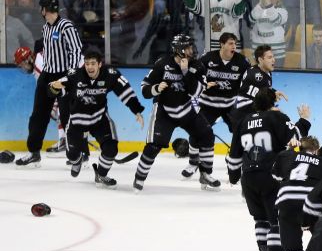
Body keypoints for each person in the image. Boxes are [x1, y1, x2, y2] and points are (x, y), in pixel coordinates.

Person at [227, 89, 311, 251]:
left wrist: (234, 176)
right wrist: (304, 120)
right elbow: (295, 138)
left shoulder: (243, 122)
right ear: (273, 103)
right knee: (275, 219)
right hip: (270, 174)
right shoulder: (276, 118)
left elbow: (234, 154)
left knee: (260, 219)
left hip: (248, 176)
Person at [134, 34, 220, 192]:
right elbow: (145, 85)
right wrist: (155, 88)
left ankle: (206, 174)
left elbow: (196, 92)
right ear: (179, 50)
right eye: (188, 47)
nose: (191, 50)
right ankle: (139, 178)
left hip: (187, 109)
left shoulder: (197, 66)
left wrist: (186, 71)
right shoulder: (162, 63)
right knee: (153, 145)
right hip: (165, 111)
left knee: (207, 135)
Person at [48, 49, 144, 187]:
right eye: (87, 63)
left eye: (93, 63)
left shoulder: (110, 75)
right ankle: (77, 160)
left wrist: (137, 110)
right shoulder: (75, 75)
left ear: (100, 64)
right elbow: (54, 90)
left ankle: (101, 175)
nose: (89, 67)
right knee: (72, 156)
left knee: (111, 149)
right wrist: (53, 88)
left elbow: (125, 91)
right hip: (77, 121)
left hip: (99, 119)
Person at [16, 0, 84, 168]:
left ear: (45, 9)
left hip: (64, 75)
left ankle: (78, 154)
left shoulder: (66, 26)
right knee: (38, 115)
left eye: (41, 8)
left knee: (69, 116)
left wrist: (70, 75)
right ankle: (34, 152)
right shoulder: (46, 27)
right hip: (47, 74)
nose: (40, 11)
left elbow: (76, 50)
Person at [182, 32, 250, 178]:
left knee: (240, 132)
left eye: (235, 44)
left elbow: (249, 81)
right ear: (222, 44)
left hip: (230, 106)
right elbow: (193, 78)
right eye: (231, 43)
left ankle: (235, 161)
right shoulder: (207, 59)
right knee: (196, 132)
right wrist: (203, 84)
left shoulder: (242, 62)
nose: (234, 46)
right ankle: (193, 163)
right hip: (207, 105)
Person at [270, 136, 322, 251]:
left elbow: (276, 176)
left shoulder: (286, 155)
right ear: (316, 150)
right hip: (311, 203)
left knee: (291, 246)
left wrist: (291, 152)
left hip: (287, 200)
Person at [14, 44, 67, 153]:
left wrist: (54, 105)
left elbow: (54, 85)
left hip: (67, 84)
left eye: (23, 64)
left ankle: (70, 144)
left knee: (62, 112)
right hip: (66, 83)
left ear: (29, 59)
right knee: (59, 112)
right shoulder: (39, 59)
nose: (23, 67)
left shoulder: (40, 66)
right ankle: (65, 141)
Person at [249, 0, 289, 66]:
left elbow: (275, 19)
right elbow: (250, 20)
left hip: (276, 54)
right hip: (259, 53)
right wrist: (260, 3)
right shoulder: (258, 9)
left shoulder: (282, 11)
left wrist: (268, 5)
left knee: (275, 78)